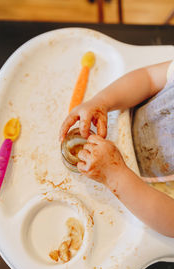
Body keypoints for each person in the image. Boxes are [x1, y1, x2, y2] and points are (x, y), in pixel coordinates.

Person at [60, 60, 174, 238]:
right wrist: (102, 101)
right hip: (122, 125)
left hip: (144, 191)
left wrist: (115, 176)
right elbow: (149, 79)